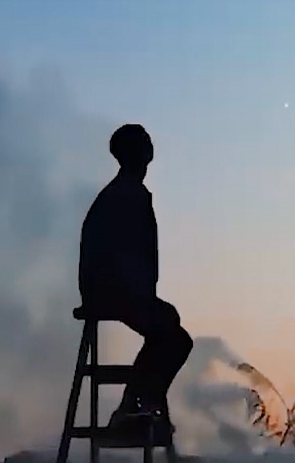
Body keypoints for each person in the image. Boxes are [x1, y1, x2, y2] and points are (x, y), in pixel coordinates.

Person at [78, 123, 194, 437]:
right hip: (115, 291)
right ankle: (134, 408)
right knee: (176, 340)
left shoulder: (124, 192)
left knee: (166, 328)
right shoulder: (128, 195)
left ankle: (136, 403)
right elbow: (122, 255)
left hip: (114, 289)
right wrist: (142, 297)